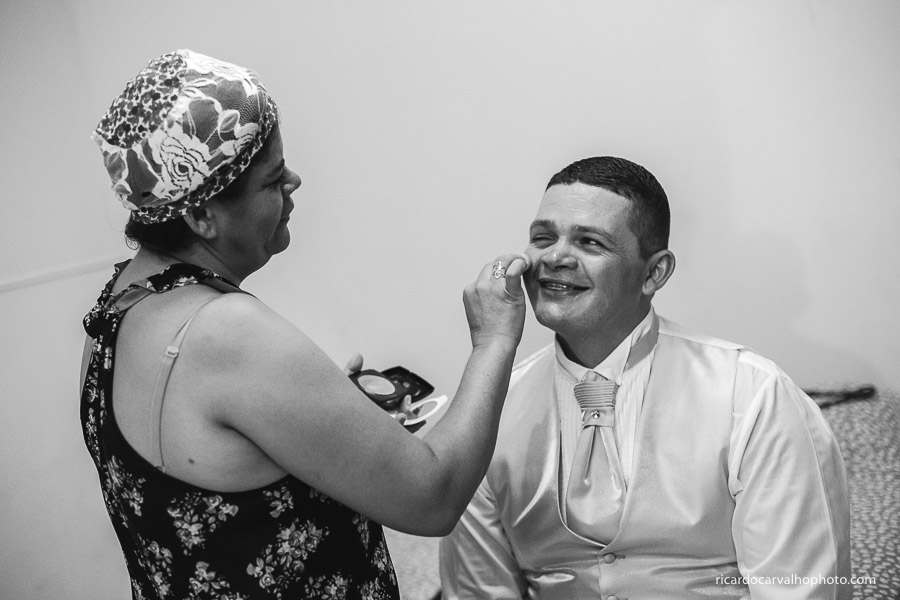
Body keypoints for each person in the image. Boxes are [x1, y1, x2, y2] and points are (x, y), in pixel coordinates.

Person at [80, 49, 530, 600]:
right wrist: (493, 340)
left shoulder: (115, 310)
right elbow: (434, 498)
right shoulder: (227, 332)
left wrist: (325, 418)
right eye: (272, 180)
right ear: (201, 215)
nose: (294, 181)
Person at [439, 157, 851, 599]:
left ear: (654, 273)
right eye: (543, 237)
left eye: (590, 242)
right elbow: (478, 591)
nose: (554, 257)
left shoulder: (753, 396)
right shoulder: (487, 411)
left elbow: (798, 588)